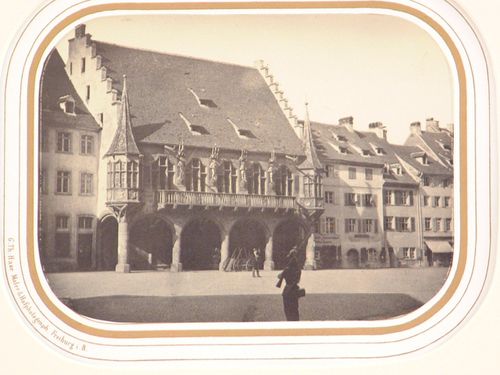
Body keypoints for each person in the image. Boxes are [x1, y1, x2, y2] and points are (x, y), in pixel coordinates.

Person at [276, 248, 302, 321]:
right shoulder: (298, 270)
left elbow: (279, 276)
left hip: (287, 291)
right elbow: (298, 279)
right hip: (295, 290)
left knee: (288, 311)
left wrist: (285, 270)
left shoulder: (287, 269)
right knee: (295, 311)